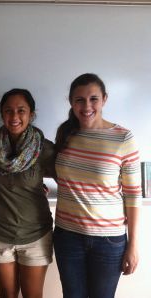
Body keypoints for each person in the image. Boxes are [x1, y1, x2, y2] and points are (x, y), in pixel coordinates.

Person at [53, 73, 142, 298]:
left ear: (104, 99)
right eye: (79, 100)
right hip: (67, 235)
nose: (87, 106)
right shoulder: (66, 134)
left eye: (93, 98)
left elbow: (133, 196)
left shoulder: (123, 138)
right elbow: (62, 175)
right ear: (71, 102)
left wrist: (133, 245)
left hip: (109, 241)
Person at [0, 89, 55, 298]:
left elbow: (68, 178)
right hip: (0, 233)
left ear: (31, 114)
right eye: (8, 111)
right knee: (7, 294)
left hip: (35, 235)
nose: (14, 117)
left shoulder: (43, 149)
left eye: (21, 111)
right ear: (2, 113)